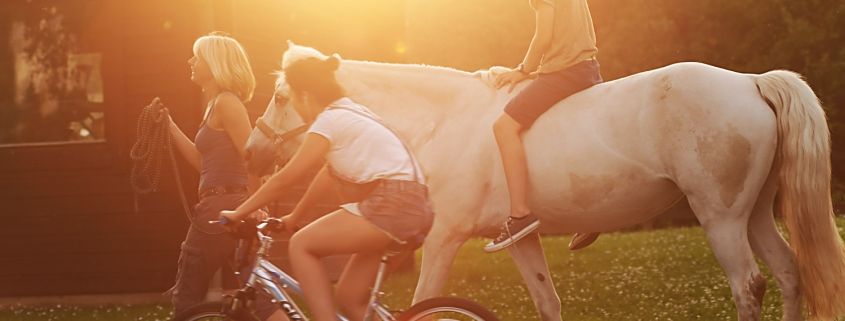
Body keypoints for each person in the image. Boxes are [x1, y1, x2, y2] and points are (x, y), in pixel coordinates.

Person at [220, 55, 434, 321]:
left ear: (306, 96)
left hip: (393, 204)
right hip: (417, 207)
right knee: (349, 299)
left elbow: (286, 179)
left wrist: (238, 212)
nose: (297, 107)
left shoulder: (329, 120)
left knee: (301, 245)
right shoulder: (353, 112)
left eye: (294, 99)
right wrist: (295, 217)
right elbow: (328, 174)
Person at [151, 32, 283, 321]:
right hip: (226, 203)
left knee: (187, 293)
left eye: (197, 57)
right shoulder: (215, 105)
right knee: (257, 294)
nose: (191, 61)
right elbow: (204, 164)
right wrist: (170, 127)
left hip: (220, 209)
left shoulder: (227, 103)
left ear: (215, 64)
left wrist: (254, 204)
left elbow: (253, 158)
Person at [483, 0, 604, 253]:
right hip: (589, 68)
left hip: (564, 73)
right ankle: (591, 212)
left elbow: (543, 36)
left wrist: (523, 69)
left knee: (504, 128)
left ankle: (519, 215)